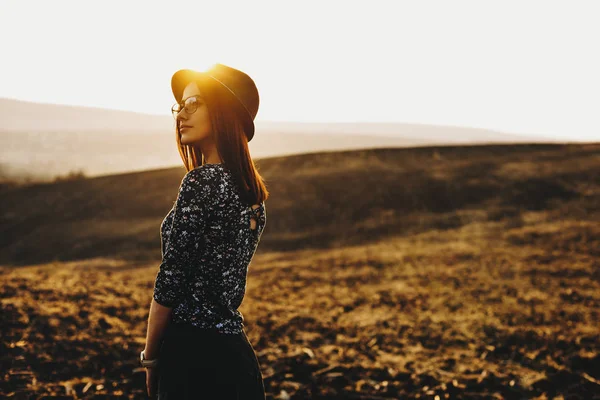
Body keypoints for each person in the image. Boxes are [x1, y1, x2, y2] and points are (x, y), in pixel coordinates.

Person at [140, 63, 269, 399]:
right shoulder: (252, 198)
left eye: (193, 103)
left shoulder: (201, 182)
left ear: (224, 112)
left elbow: (170, 281)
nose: (181, 113)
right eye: (179, 106)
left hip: (192, 361)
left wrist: (152, 359)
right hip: (237, 359)